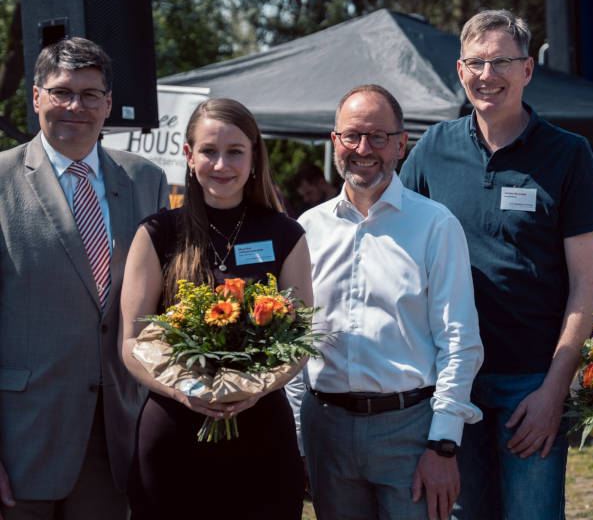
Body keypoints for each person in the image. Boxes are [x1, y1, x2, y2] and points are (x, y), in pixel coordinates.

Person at [400, 9, 593, 520]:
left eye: (502, 62)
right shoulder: (431, 148)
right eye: (476, 63)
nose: (487, 75)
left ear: (528, 70)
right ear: (460, 69)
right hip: (451, 381)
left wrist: (555, 389)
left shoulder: (569, 154)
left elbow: (586, 284)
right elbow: (395, 249)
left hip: (530, 383)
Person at [294, 84, 483, 520]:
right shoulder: (306, 229)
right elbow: (294, 343)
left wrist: (443, 444)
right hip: (326, 428)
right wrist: (299, 438)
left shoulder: (435, 225)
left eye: (379, 137)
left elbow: (460, 342)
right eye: (352, 136)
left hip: (411, 432)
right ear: (334, 141)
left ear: (402, 144)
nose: (364, 148)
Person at [119, 98, 312, 519]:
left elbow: (299, 340)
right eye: (208, 151)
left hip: (262, 440)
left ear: (254, 156)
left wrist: (253, 388)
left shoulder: (285, 234)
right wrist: (186, 391)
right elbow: (131, 343)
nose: (221, 164)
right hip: (173, 437)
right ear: (188, 156)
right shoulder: (156, 233)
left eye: (235, 152)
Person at [0, 37, 169, 520]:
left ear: (109, 103)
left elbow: (161, 304)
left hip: (115, 434)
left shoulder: (145, 181)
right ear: (36, 98)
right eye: (61, 92)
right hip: (21, 441)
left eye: (91, 94)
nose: (76, 106)